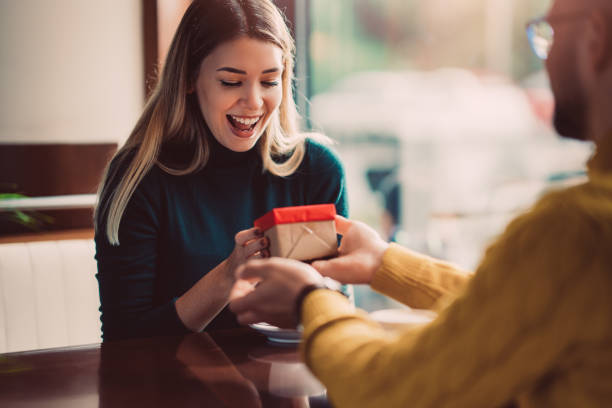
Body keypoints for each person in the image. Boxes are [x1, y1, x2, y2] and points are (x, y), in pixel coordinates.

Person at [230, 0, 612, 406]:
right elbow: (518, 309)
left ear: (594, 36)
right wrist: (386, 262)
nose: (546, 57)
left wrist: (311, 301)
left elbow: (388, 391)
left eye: (548, 33)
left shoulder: (580, 230)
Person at [94, 0, 347, 342]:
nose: (254, 102)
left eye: (270, 81)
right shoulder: (139, 178)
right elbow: (125, 339)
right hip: (173, 389)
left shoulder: (315, 170)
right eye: (231, 82)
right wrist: (229, 275)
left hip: (292, 386)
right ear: (188, 79)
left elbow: (337, 310)